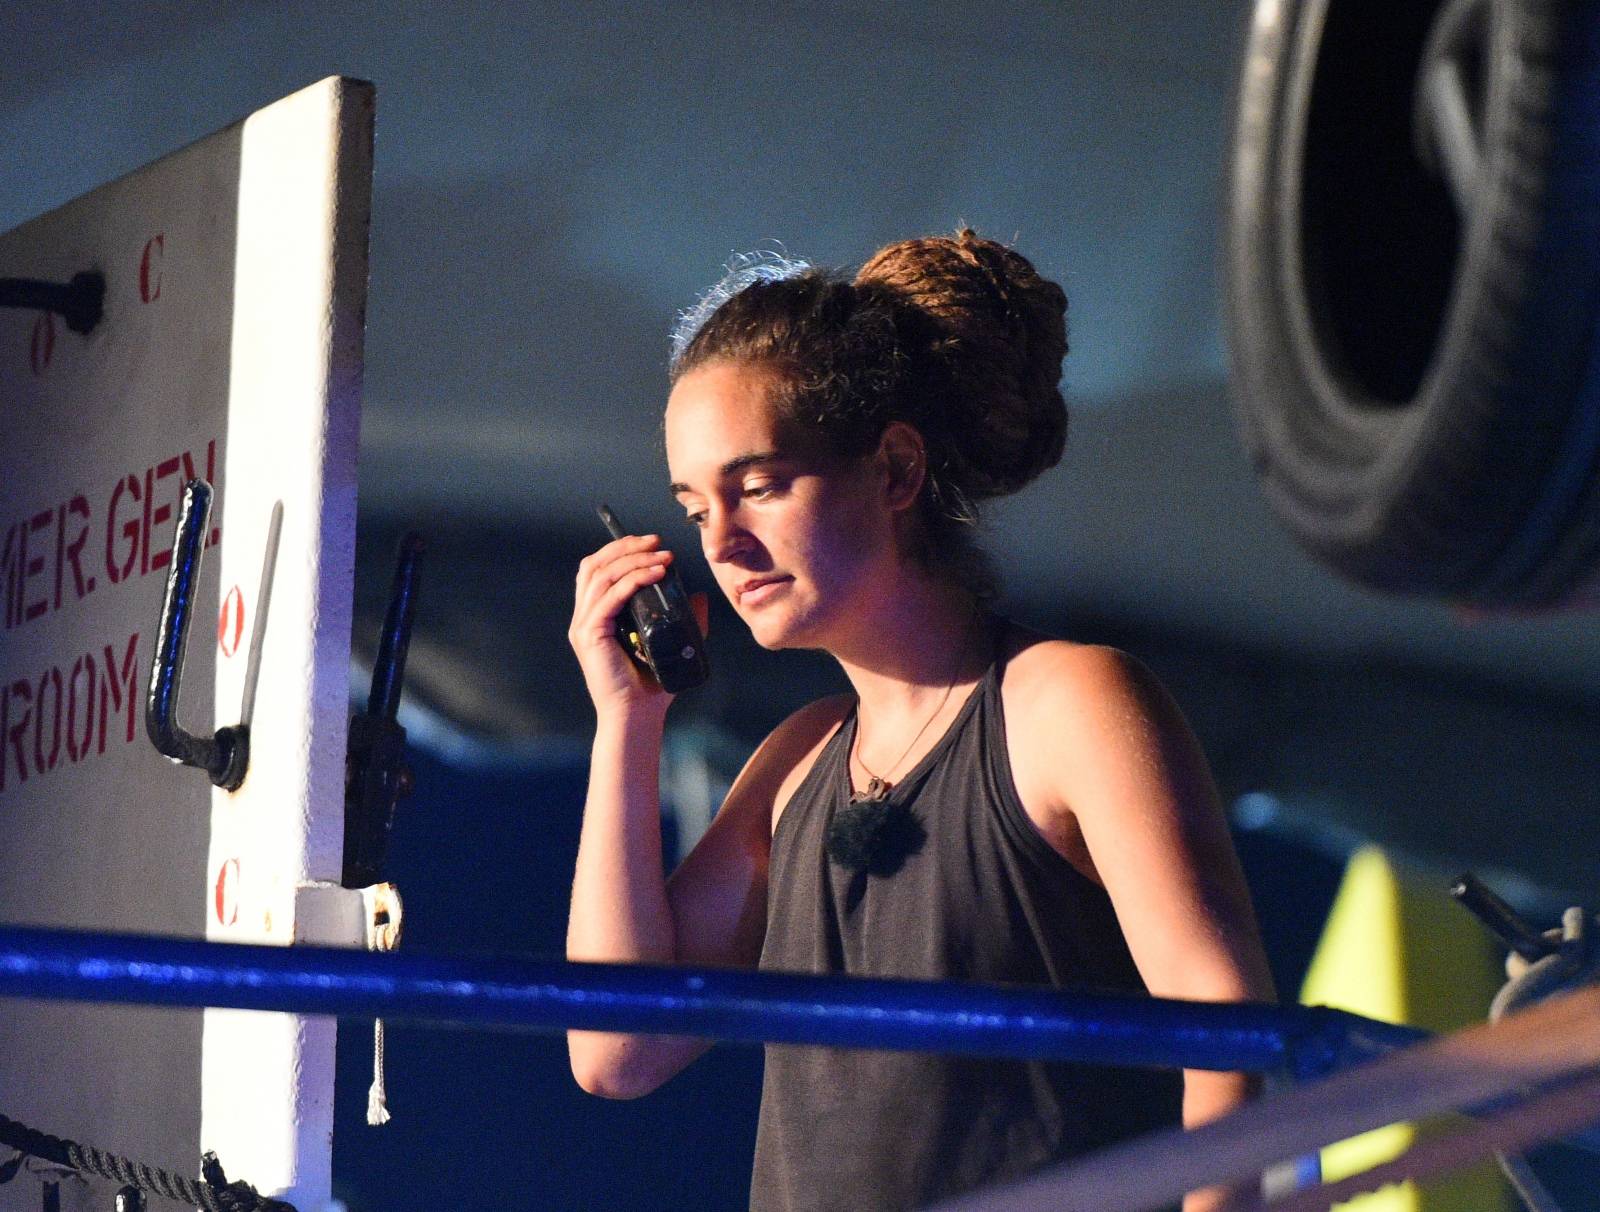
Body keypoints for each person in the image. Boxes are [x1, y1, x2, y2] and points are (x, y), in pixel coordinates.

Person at [565, 230, 1275, 1212]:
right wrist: (626, 721)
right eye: (695, 510)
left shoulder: (1067, 704)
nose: (723, 545)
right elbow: (615, 1051)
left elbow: (1233, 1041)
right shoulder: (794, 762)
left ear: (895, 471)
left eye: (759, 487)